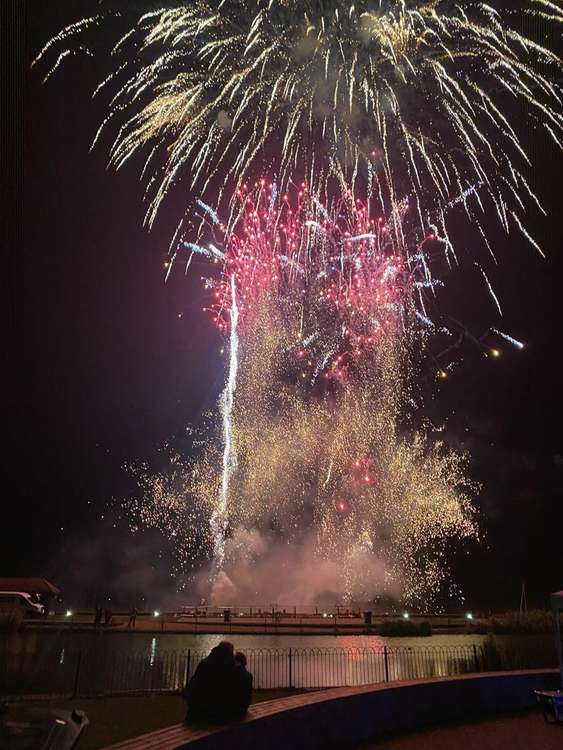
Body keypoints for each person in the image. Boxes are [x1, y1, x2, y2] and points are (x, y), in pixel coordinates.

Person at [183, 642, 252, 724]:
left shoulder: (205, 665)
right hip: (230, 715)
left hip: (203, 715)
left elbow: (190, 692)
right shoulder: (237, 670)